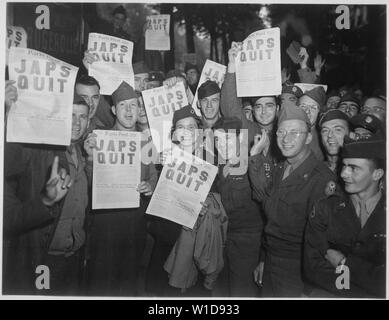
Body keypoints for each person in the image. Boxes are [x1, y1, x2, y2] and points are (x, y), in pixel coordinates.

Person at [3, 92, 90, 295]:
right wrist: (9, 114)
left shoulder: (83, 153)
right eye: (71, 115)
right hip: (44, 258)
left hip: (73, 257)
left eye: (83, 116)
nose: (77, 122)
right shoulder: (37, 150)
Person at [248, 104, 335, 297]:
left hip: (298, 271)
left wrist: (311, 287)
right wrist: (264, 258)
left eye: (295, 133)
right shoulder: (280, 169)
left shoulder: (321, 178)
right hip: (272, 262)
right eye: (281, 132)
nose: (286, 139)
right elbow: (270, 216)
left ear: (309, 137)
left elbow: (323, 242)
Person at [83, 81, 158, 296]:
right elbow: (88, 185)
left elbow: (153, 175)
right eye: (123, 105)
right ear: (114, 110)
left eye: (133, 105)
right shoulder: (101, 139)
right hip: (105, 225)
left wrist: (150, 186)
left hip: (135, 226)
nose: (128, 111)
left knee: (129, 285)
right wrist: (90, 159)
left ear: (138, 110)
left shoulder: (146, 143)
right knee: (102, 284)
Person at [304, 134, 386, 298]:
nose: (343, 174)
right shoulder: (326, 207)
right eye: (344, 166)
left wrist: (344, 263)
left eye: (353, 168)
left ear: (377, 174)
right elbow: (312, 267)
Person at [214, 118, 263, 297]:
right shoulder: (220, 166)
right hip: (224, 241)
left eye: (227, 139)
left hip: (247, 244)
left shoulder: (252, 165)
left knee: (241, 293)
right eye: (217, 140)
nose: (222, 145)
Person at [298, 86, 326, 161]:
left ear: (319, 113)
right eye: (303, 106)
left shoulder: (323, 139)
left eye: (313, 108)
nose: (307, 111)